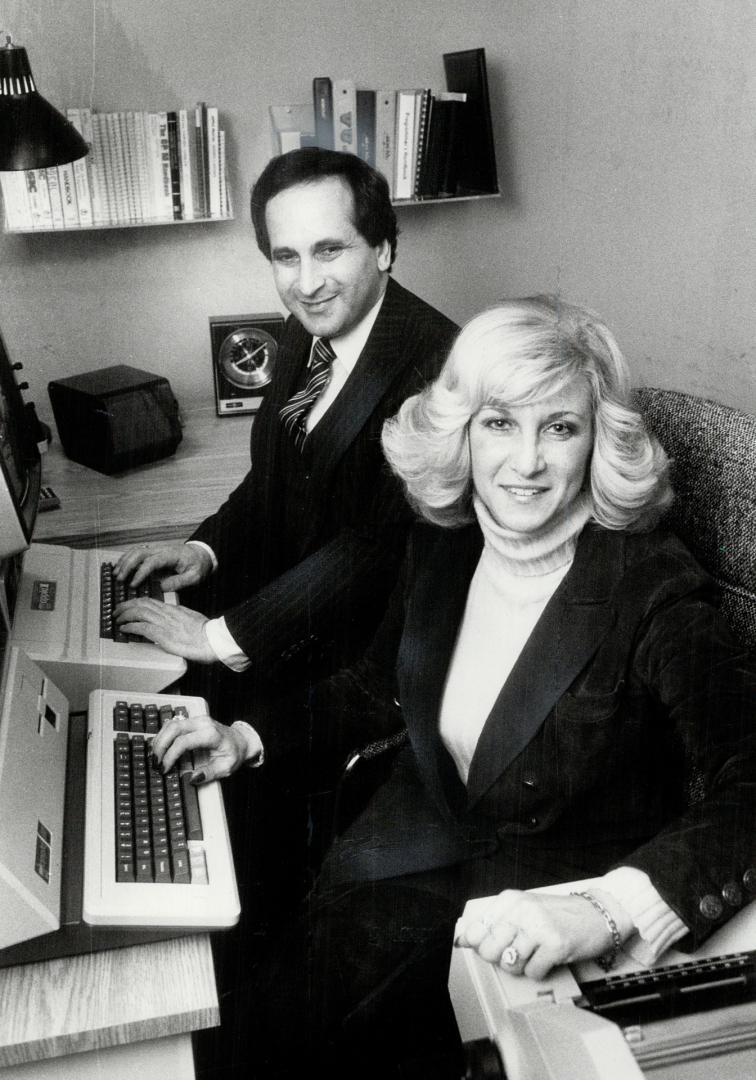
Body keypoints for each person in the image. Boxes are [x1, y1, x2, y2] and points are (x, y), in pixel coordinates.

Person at [152, 295, 756, 1078]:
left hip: (537, 908)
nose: (527, 462)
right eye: (500, 423)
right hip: (400, 856)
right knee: (233, 1021)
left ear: (599, 443)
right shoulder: (444, 542)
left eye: (560, 428)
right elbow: (379, 686)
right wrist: (247, 736)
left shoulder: (656, 595)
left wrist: (606, 908)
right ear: (461, 431)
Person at [113, 147, 458, 740]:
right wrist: (205, 551)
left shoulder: (437, 368)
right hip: (284, 610)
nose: (307, 283)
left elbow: (372, 549)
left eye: (330, 249)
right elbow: (273, 474)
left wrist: (217, 637)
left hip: (350, 668)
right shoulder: (307, 327)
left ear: (383, 248)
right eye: (286, 257)